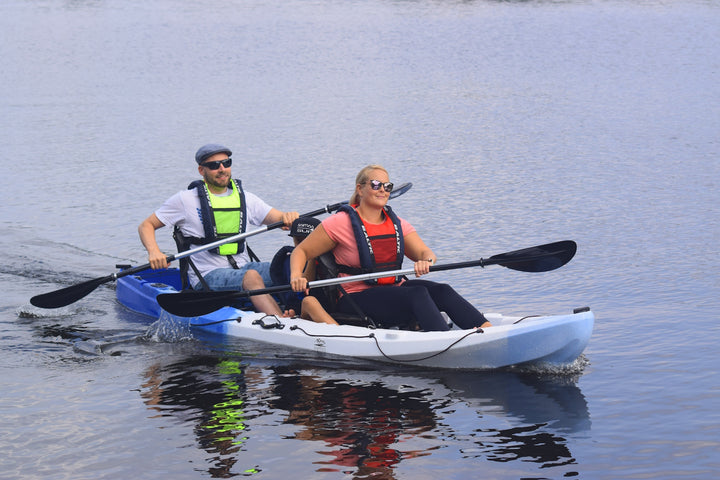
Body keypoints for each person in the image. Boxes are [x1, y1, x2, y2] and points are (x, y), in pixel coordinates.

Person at [289, 164, 491, 331]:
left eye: (387, 185)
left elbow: (425, 253)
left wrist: (426, 262)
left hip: (393, 290)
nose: (383, 189)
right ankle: (448, 342)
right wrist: (296, 275)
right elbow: (301, 251)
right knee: (418, 294)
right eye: (376, 184)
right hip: (354, 297)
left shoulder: (397, 224)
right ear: (360, 189)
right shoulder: (339, 223)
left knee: (442, 291)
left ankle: (487, 330)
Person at [139, 143, 299, 316]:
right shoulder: (185, 200)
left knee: (291, 264)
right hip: (207, 276)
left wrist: (289, 217)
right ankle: (281, 323)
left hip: (244, 268)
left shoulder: (246, 198)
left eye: (226, 163)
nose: (222, 169)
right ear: (201, 170)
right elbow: (146, 226)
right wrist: (154, 252)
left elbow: (280, 218)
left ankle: (304, 311)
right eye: (214, 165)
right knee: (252, 277)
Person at [270, 218, 339, 325]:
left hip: (333, 305)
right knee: (309, 302)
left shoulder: (335, 256)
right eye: (298, 240)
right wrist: (311, 257)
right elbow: (298, 294)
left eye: (307, 241)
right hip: (305, 308)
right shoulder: (291, 262)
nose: (302, 245)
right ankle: (339, 334)